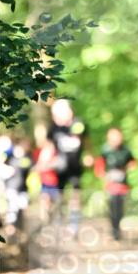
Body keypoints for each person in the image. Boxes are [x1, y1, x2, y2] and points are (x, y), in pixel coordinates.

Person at [47, 98, 86, 236]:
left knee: (76, 196)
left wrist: (89, 156)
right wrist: (44, 163)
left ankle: (74, 226)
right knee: (59, 195)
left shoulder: (78, 123)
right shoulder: (53, 128)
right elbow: (49, 147)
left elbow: (86, 141)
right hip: (60, 167)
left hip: (75, 166)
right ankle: (58, 222)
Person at [94, 128, 137, 240]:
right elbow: (99, 165)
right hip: (110, 185)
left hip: (122, 185)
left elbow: (133, 162)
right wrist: (104, 175)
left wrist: (127, 169)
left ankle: (117, 230)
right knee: (112, 208)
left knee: (120, 209)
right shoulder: (105, 150)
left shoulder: (126, 150)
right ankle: (114, 231)